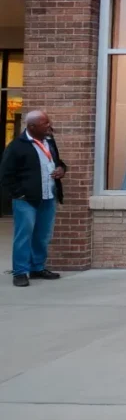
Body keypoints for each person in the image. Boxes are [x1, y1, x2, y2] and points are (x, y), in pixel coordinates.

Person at [0, 110, 66, 287]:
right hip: (26, 200)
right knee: (24, 236)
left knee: (42, 236)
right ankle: (20, 272)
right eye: (45, 123)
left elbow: (58, 162)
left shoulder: (50, 142)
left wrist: (61, 169)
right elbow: (6, 175)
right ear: (32, 126)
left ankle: (37, 268)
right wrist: (19, 194)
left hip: (48, 196)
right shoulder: (16, 146)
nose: (49, 126)